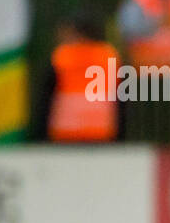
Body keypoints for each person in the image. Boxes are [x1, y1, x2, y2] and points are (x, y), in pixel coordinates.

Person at [45, 13, 121, 143]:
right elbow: (121, 97)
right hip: (102, 130)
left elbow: (46, 98)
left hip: (66, 130)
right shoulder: (109, 56)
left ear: (77, 32)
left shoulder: (62, 56)